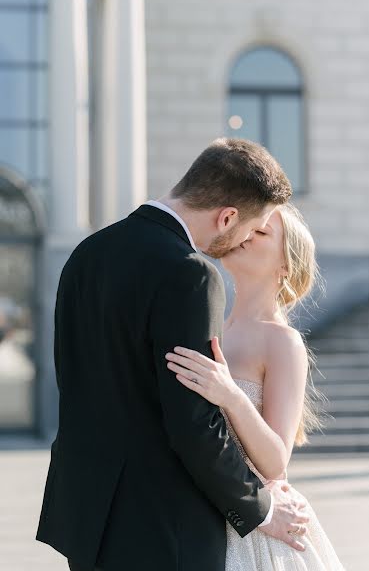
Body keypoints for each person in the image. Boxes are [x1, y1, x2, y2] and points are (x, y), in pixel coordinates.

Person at [35, 137, 310, 571]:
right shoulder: (191, 274)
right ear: (227, 217)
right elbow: (191, 424)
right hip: (163, 526)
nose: (243, 240)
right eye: (249, 227)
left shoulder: (86, 254)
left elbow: (74, 378)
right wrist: (261, 511)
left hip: (86, 515)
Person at [165, 202, 345, 570]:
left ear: (285, 267)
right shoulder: (211, 326)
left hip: (260, 530)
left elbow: (276, 460)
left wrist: (231, 395)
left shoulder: (283, 341)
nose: (246, 234)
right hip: (202, 519)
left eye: (261, 232)